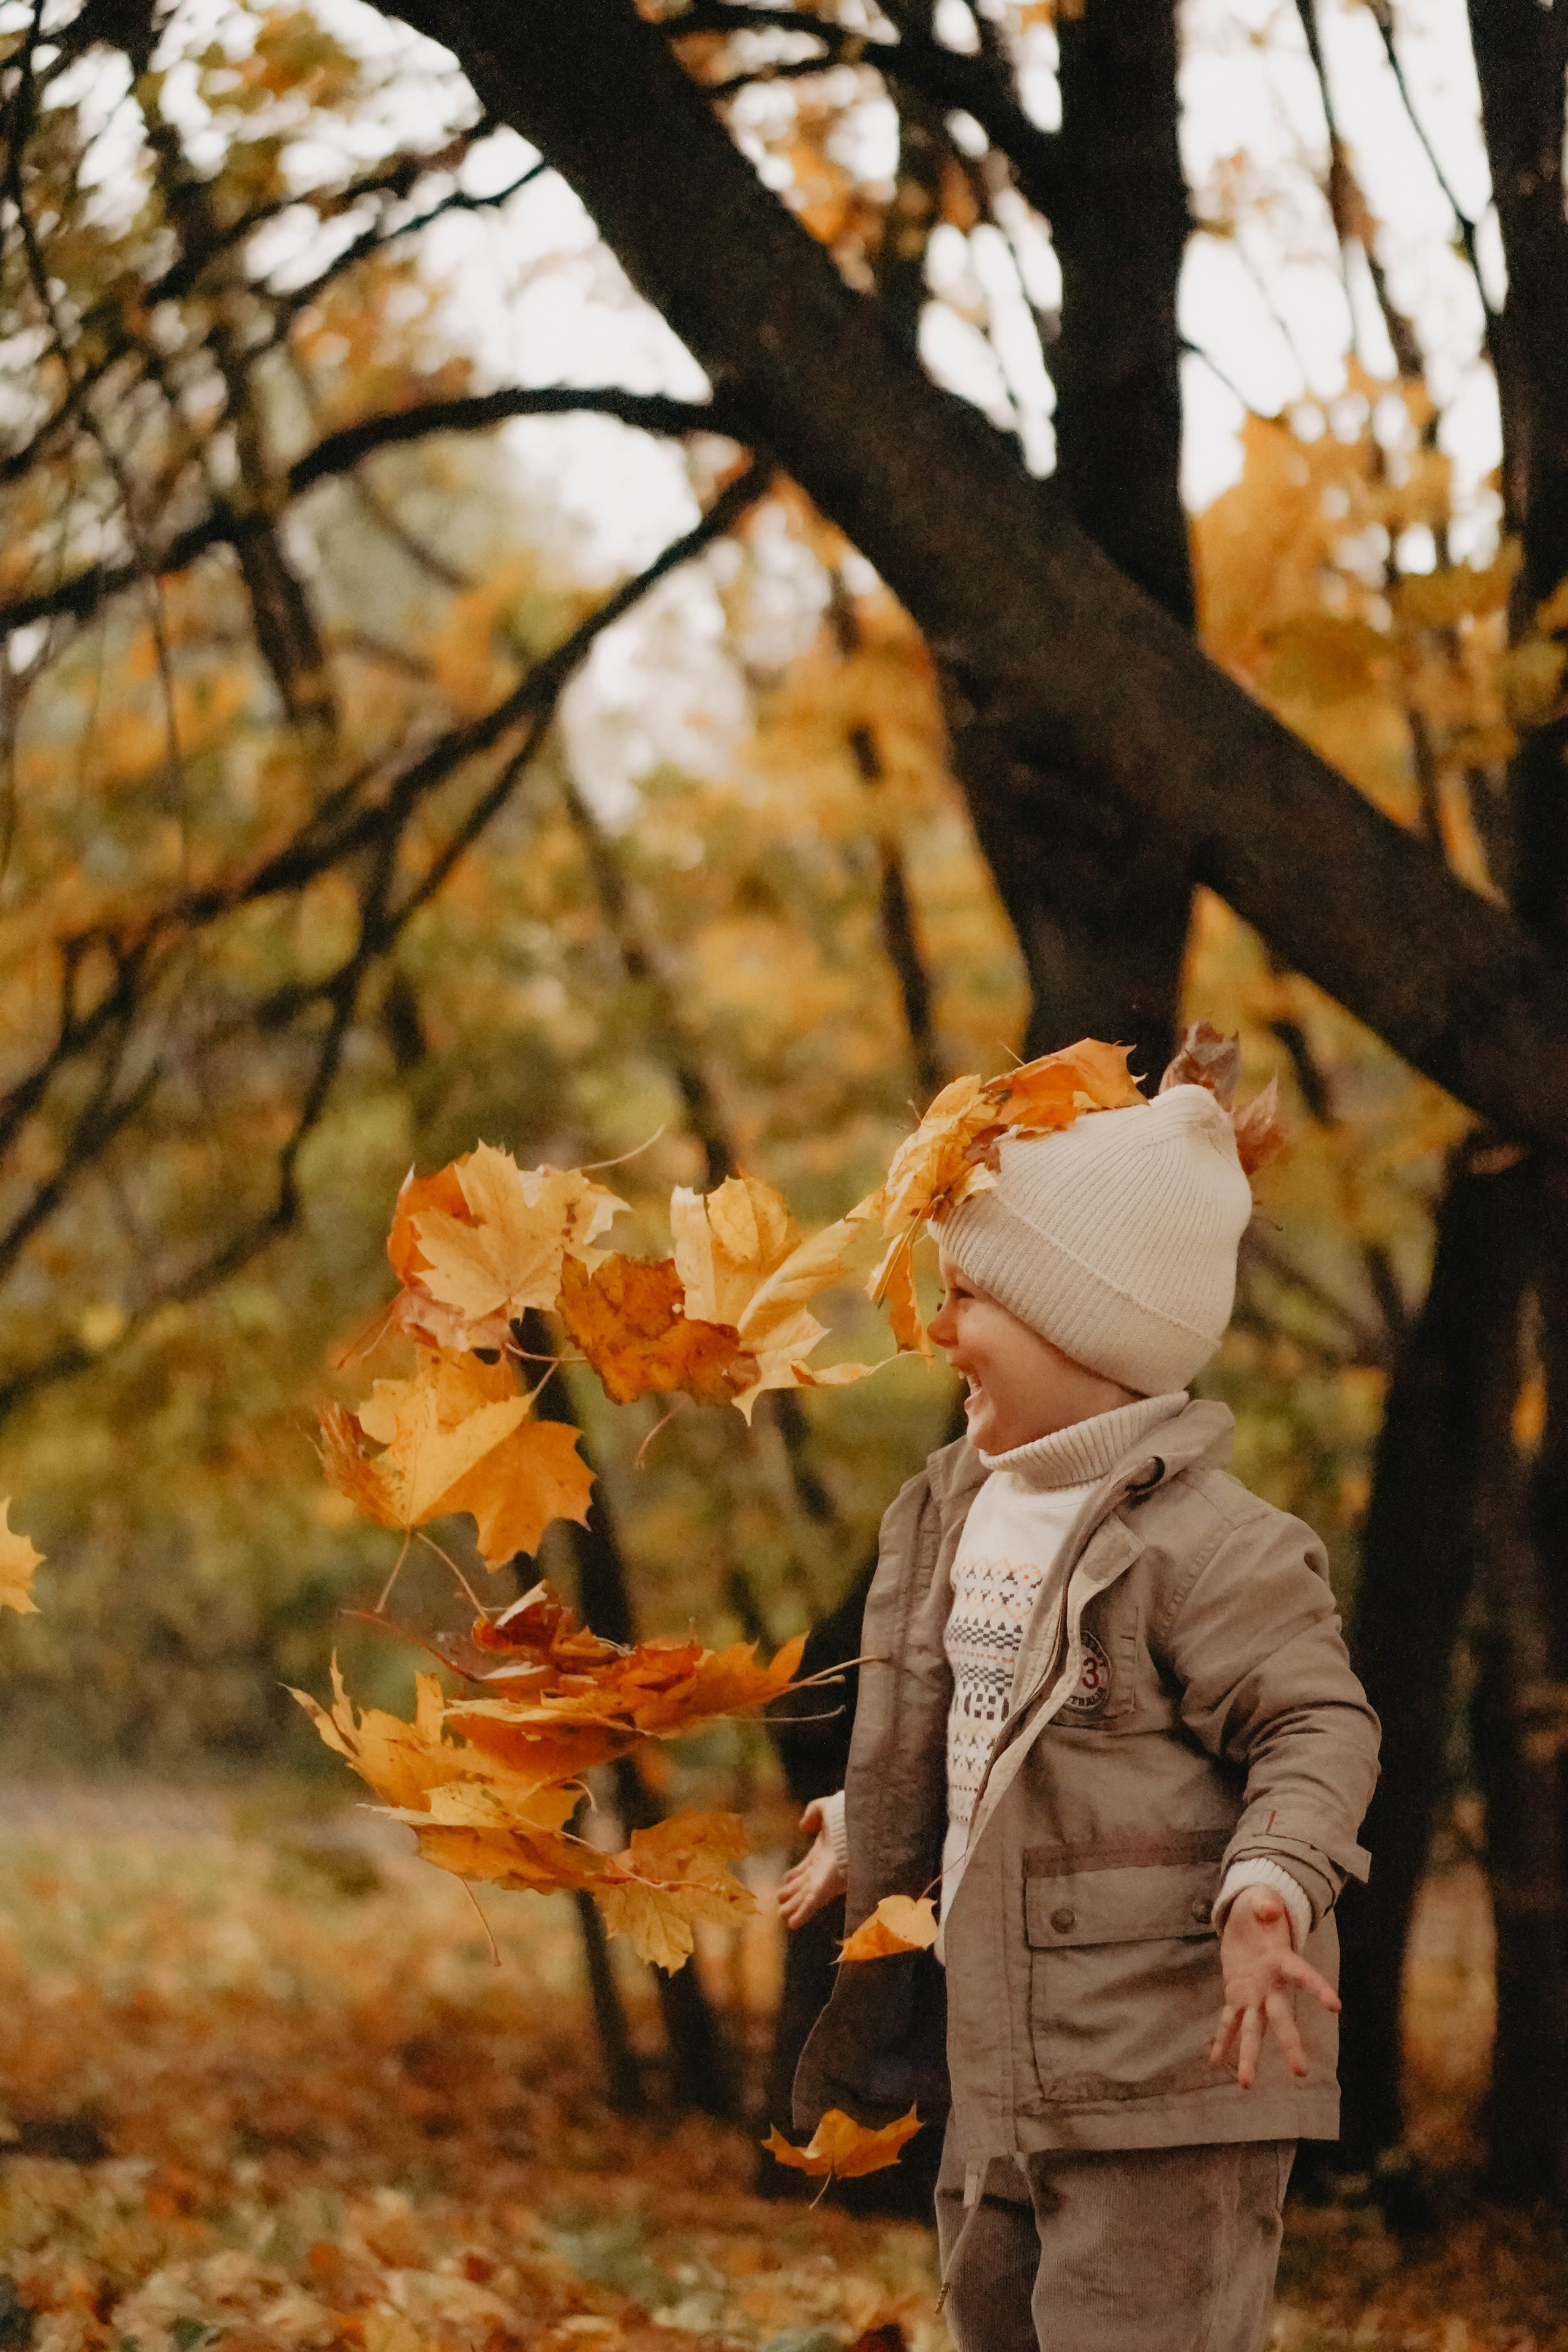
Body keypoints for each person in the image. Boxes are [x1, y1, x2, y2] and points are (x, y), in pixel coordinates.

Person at [777, 1057, 1380, 2352]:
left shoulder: (1209, 1546)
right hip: (1001, 2065)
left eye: (965, 1297)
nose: (936, 1334)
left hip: (1162, 2079)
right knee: (995, 2324)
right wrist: (865, 1814)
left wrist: (1270, 1880)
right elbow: (982, 1744)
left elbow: (1314, 1726)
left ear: (1080, 1321)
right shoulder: (967, 1509)